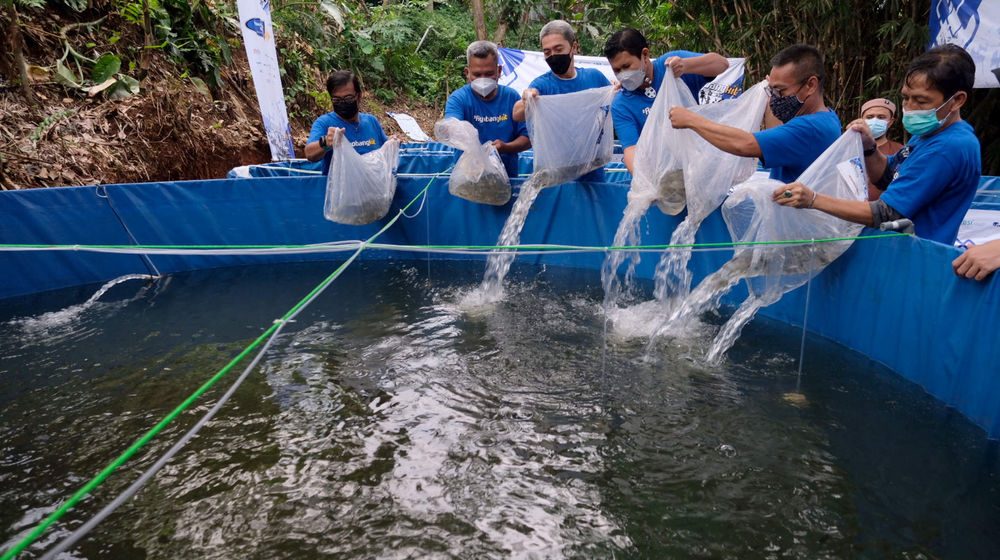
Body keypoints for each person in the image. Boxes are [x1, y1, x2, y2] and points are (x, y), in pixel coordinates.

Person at [774, 44, 981, 246]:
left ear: (957, 101)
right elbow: (888, 177)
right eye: (905, 98)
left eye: (921, 101)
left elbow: (886, 213)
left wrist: (813, 199)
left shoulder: (949, 147)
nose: (909, 107)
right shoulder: (928, 134)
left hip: (918, 261)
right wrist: (869, 147)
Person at [668, 44, 842, 184]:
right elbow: (775, 134)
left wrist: (692, 120)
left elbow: (746, 144)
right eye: (772, 90)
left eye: (780, 90)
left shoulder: (810, 128)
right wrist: (769, 95)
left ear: (810, 85)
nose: (776, 97)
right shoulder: (827, 118)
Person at [603, 27, 730, 174]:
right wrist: (643, 181)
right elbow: (631, 149)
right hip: (662, 177)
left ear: (645, 55)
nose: (623, 75)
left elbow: (722, 64)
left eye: (627, 66)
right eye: (617, 70)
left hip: (700, 169)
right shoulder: (621, 104)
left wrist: (687, 66)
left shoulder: (670, 67)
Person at [512, 19, 611, 182]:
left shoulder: (594, 77)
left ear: (574, 46)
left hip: (592, 174)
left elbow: (617, 100)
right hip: (555, 175)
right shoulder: (541, 85)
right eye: (547, 52)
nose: (553, 56)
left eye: (558, 49)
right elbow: (517, 114)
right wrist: (527, 99)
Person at [444, 40, 530, 178]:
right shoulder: (459, 99)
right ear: (467, 72)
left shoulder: (512, 98)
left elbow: (527, 137)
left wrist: (506, 148)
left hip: (506, 181)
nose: (483, 80)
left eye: (489, 74)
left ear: (499, 71)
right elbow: (451, 126)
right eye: (477, 75)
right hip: (468, 181)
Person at [305, 70, 389, 174]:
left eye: (348, 98)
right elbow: (309, 154)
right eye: (336, 99)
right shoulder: (324, 123)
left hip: (373, 187)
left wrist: (392, 144)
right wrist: (326, 142)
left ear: (358, 96)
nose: (343, 103)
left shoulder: (371, 121)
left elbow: (386, 152)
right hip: (341, 189)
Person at [859, 97, 903, 200]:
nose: (875, 120)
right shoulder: (849, 148)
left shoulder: (900, 151)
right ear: (862, 120)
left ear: (890, 122)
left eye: (881, 117)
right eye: (869, 117)